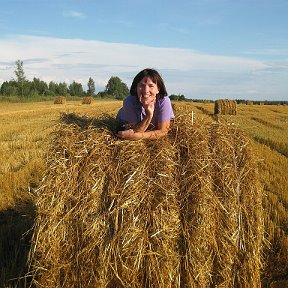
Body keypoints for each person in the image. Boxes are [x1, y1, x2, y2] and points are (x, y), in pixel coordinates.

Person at [116, 68, 174, 140]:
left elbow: (163, 131)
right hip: (123, 117)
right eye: (142, 85)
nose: (146, 90)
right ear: (136, 87)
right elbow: (135, 130)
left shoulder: (164, 101)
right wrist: (149, 115)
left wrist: (135, 136)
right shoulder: (129, 101)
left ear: (158, 89)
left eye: (151, 86)